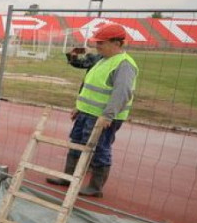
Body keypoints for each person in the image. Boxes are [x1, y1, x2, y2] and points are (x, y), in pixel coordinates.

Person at [46, 23, 138, 197]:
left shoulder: (124, 64)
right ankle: (68, 177)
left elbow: (122, 93)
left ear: (117, 43)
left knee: (99, 149)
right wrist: (79, 107)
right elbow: (90, 86)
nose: (97, 46)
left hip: (103, 117)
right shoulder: (102, 60)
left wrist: (108, 115)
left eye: (101, 43)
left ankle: (95, 187)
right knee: (76, 143)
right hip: (86, 113)